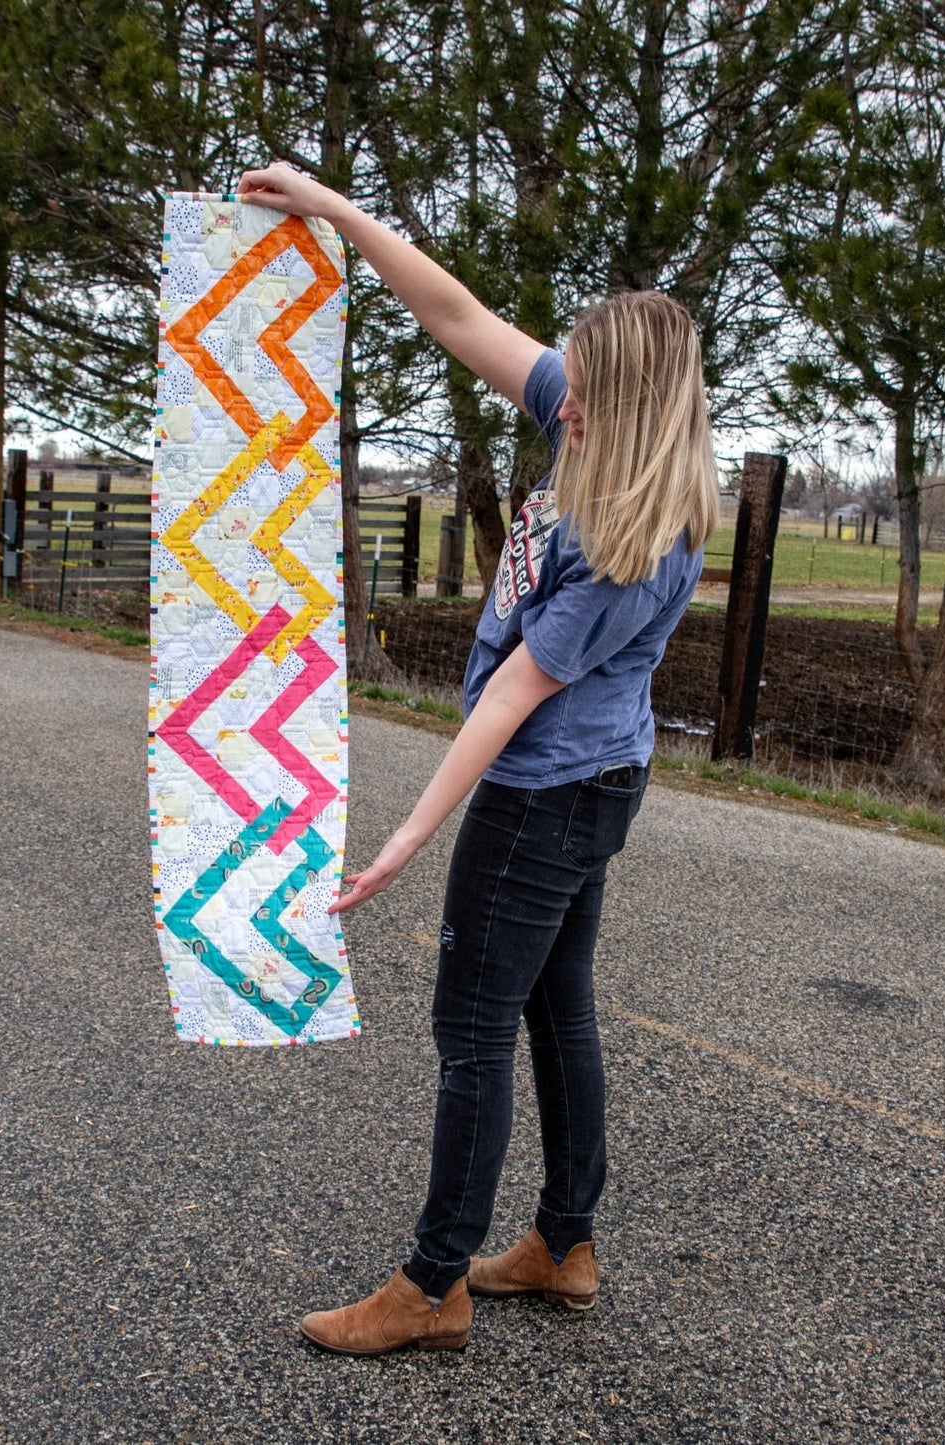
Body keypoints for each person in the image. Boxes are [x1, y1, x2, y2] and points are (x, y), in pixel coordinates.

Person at [237, 162, 720, 1356]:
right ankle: (561, 1245)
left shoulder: (632, 539)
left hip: (545, 795)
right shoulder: (587, 416)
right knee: (555, 1011)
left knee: (469, 1027)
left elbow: (509, 696)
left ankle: (431, 1282)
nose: (562, 403)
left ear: (638, 406)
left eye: (585, 394)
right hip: (592, 778)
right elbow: (455, 316)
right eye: (568, 381)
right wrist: (335, 214)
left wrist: (408, 836)